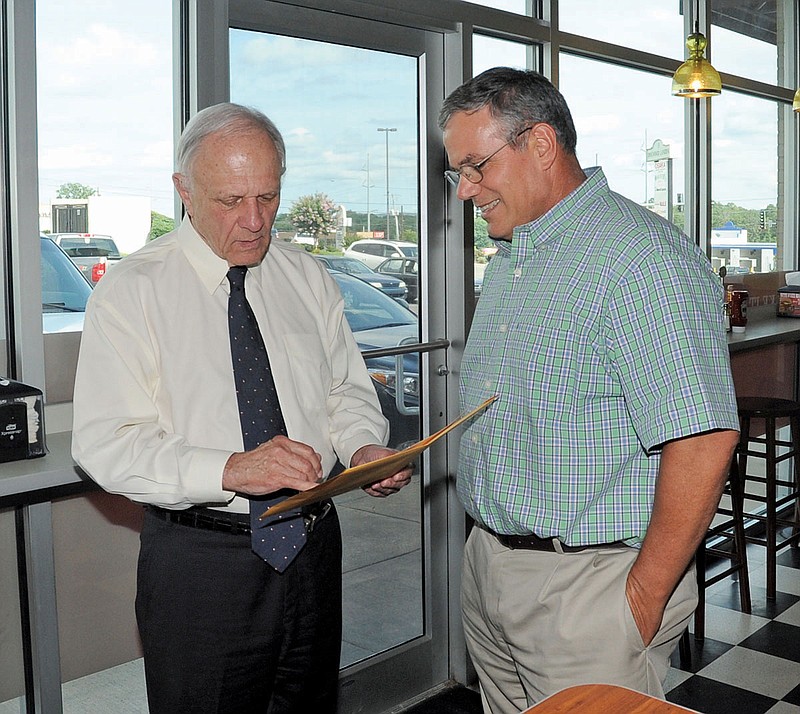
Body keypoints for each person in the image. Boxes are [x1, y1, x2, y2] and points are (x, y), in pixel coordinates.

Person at [71, 102, 412, 713]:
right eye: (231, 201)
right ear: (184, 191)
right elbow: (104, 443)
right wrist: (230, 469)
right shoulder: (132, 291)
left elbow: (345, 391)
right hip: (202, 566)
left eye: (269, 197)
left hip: (312, 550)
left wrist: (362, 446)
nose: (255, 221)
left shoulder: (306, 276)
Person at [439, 67, 740, 713]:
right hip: (492, 567)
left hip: (587, 589)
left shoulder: (640, 259)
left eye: (475, 166)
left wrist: (638, 602)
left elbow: (705, 438)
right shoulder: (517, 258)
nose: (465, 190)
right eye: (455, 172)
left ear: (541, 144)